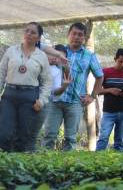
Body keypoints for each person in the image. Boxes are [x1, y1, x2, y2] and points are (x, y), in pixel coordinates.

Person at [42, 22, 103, 151]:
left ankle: (66, 167)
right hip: (54, 100)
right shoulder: (58, 51)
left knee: (71, 138)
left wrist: (92, 96)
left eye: (80, 35)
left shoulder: (89, 55)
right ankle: (45, 166)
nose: (76, 37)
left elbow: (100, 76)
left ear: (84, 38)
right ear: (68, 35)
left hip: (75, 102)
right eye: (74, 33)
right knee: (49, 136)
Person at [0, 22, 51, 152]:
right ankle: (2, 165)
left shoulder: (42, 56)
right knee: (3, 134)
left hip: (29, 98)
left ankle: (18, 167)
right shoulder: (11, 51)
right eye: (27, 31)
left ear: (39, 38)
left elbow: (47, 82)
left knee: (23, 136)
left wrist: (42, 101)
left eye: (33, 32)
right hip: (9, 95)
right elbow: (0, 74)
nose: (29, 34)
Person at [96, 48, 123, 151]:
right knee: (103, 138)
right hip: (109, 112)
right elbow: (97, 91)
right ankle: (97, 161)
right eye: (120, 61)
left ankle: (118, 164)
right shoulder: (105, 72)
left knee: (120, 141)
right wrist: (110, 90)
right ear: (115, 59)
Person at [42, 44, 73, 149]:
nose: (55, 59)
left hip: (42, 103)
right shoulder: (38, 60)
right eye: (54, 55)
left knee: (47, 133)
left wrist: (63, 87)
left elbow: (54, 92)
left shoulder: (56, 71)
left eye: (60, 58)